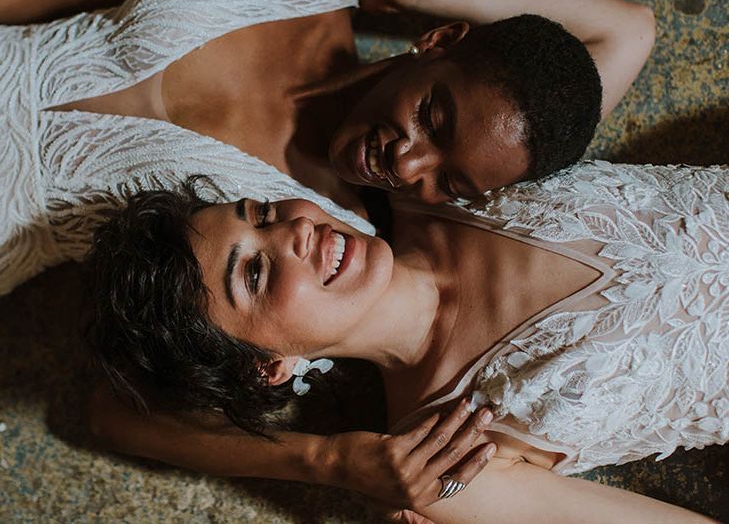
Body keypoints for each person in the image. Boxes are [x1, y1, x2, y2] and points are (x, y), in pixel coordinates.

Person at [0, 0, 655, 295]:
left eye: (446, 180)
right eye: (432, 117)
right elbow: (632, 27)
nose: (406, 163)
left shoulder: (322, 236)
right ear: (438, 41)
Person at [88, 159, 728, 522]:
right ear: (271, 366)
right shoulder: (445, 459)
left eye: (261, 213)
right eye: (253, 273)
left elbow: (622, 35)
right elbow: (112, 417)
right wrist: (326, 462)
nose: (292, 233)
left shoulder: (429, 175)